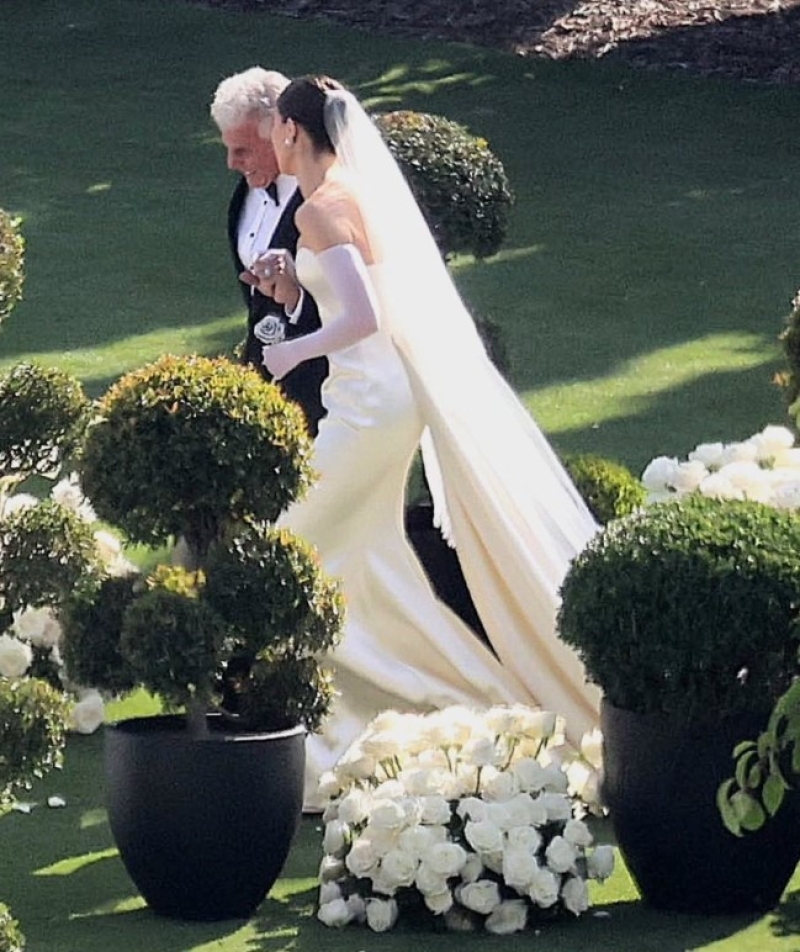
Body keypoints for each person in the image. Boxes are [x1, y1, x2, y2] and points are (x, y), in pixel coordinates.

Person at [249, 76, 601, 807]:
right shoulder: (345, 195)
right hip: (375, 395)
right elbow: (361, 293)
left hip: (370, 403)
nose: (270, 138)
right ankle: (378, 704)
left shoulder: (319, 206)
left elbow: (366, 318)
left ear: (292, 131)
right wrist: (295, 294)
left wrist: (292, 350)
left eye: (276, 126)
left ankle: (420, 705)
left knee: (296, 541)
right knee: (363, 555)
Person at [210, 67, 328, 436]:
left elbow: (357, 303)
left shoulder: (322, 198)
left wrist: (295, 299)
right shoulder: (242, 196)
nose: (231, 163)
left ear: (281, 133)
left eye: (243, 150)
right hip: (263, 386)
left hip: (323, 391)